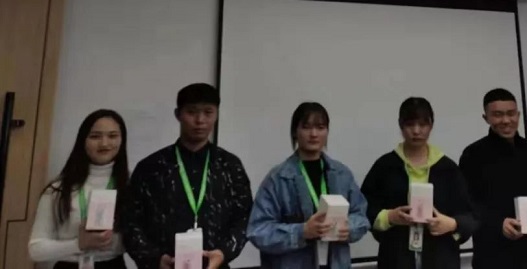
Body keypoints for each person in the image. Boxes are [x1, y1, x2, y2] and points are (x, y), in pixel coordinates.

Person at [123, 83, 252, 269]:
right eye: (191, 112)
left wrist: (223, 253)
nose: (200, 120)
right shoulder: (151, 167)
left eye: (208, 112)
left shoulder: (230, 165)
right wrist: (155, 259)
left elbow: (244, 218)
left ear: (217, 114)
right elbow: (131, 222)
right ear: (178, 114)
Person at [247, 102, 370, 268]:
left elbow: (361, 216)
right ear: (295, 132)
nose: (313, 134)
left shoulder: (342, 174)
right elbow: (258, 231)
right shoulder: (278, 178)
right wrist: (302, 231)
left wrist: (349, 228)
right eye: (306, 127)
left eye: (320, 127)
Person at [361, 97, 476, 269]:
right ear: (400, 125)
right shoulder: (385, 166)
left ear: (431, 125)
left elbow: (469, 214)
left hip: (441, 258)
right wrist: (390, 217)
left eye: (423, 125)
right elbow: (363, 208)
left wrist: (451, 224)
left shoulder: (448, 168)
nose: (416, 131)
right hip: (396, 257)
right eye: (410, 125)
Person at [459, 89, 527, 269]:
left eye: (511, 114)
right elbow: (468, 204)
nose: (506, 120)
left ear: (518, 115)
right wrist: (498, 224)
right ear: (486, 118)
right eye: (497, 115)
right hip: (494, 255)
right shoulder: (473, 155)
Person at [29, 109, 129, 269]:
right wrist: (78, 244)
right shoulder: (58, 189)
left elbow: (140, 239)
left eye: (112, 136)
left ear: (122, 140)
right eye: (95, 136)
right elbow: (35, 250)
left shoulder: (131, 185)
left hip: (114, 265)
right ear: (83, 140)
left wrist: (112, 240)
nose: (104, 143)